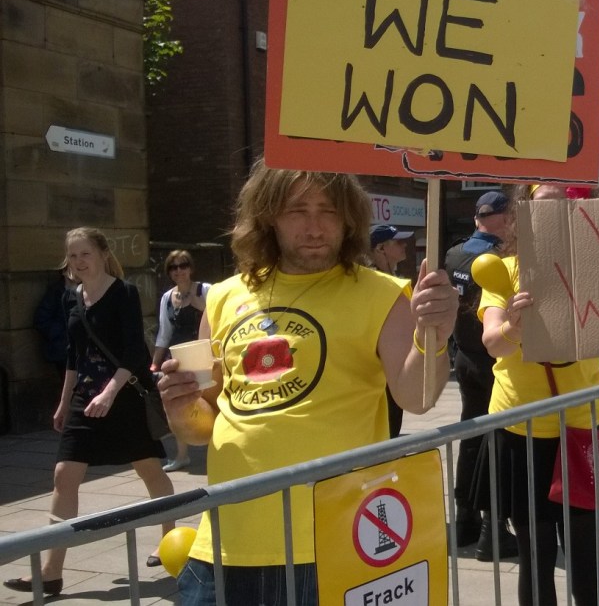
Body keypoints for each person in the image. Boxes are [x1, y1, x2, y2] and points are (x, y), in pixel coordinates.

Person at [156, 162, 457, 606]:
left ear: (349, 219)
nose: (315, 227)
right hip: (224, 543)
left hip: (331, 544)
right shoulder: (223, 296)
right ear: (268, 216)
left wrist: (436, 334)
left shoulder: (383, 293)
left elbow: (417, 397)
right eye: (298, 210)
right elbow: (203, 426)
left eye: (329, 211)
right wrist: (179, 410)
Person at [5, 228, 175, 598]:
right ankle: (51, 572)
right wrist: (65, 401)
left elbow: (133, 352)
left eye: (85, 254)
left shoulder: (123, 293)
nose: (79, 262)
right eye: (73, 256)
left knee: (149, 469)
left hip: (123, 394)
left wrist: (110, 392)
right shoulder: (71, 297)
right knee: (64, 475)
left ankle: (170, 544)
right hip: (86, 396)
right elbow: (74, 354)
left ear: (101, 254)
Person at [478, 182, 599, 606]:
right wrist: (514, 328)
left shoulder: (596, 268)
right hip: (523, 429)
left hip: (586, 425)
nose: (553, 216)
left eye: (565, 206)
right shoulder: (504, 271)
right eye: (542, 208)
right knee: (536, 549)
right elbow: (493, 342)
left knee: (585, 547)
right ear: (519, 219)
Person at [443, 190, 520, 559]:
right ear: (504, 217)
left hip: (465, 359)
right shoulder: (502, 257)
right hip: (495, 361)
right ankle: (493, 530)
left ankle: (464, 522)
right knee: (498, 442)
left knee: (471, 436)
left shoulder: (455, 253)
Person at [150, 250, 211, 472]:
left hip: (203, 355)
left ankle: (216, 448)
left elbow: (219, 320)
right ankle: (181, 455)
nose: (179, 271)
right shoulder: (168, 297)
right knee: (180, 404)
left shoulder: (205, 290)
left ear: (191, 267)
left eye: (183, 265)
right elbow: (164, 334)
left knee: (211, 400)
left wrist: (200, 305)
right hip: (178, 357)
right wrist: (155, 364)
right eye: (173, 267)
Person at [368, 223, 415, 437]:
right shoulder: (371, 282)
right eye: (397, 242)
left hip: (394, 368)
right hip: (377, 370)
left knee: (393, 424)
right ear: (380, 249)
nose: (404, 245)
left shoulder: (393, 279)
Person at [33, 265, 75, 384]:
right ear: (64, 271)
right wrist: (62, 334)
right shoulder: (56, 292)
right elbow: (41, 320)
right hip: (64, 350)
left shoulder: (86, 289)